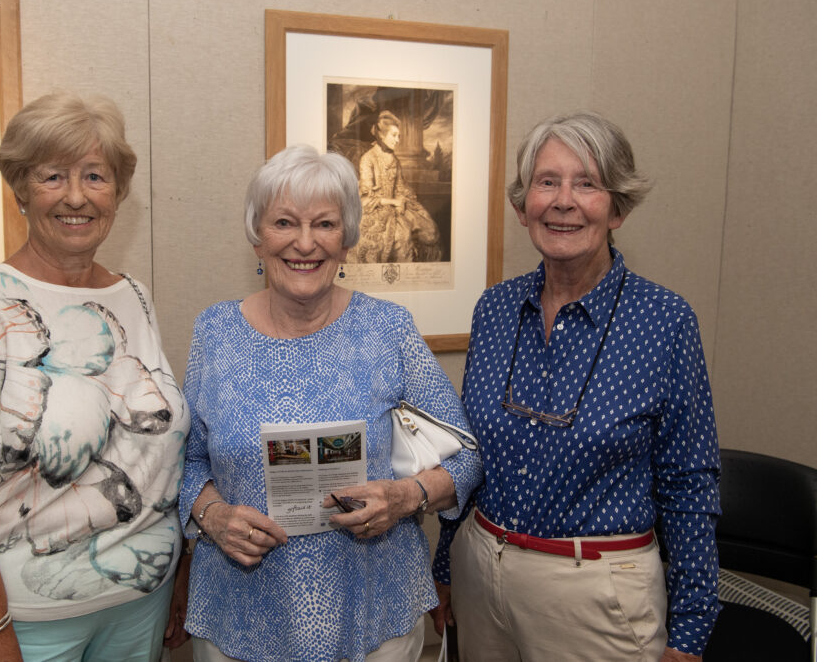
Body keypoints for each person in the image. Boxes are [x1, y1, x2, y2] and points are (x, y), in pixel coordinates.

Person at [0, 92, 190, 661]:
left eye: (94, 176)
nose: (76, 196)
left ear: (118, 192)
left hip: (141, 606)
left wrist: (179, 574)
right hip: (30, 622)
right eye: (52, 176)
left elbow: (158, 453)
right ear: (20, 189)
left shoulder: (131, 295)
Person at [432, 112, 720, 661]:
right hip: (481, 571)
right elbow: (467, 456)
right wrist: (446, 564)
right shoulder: (495, 309)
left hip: (595, 594)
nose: (564, 200)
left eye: (587, 183)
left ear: (618, 208)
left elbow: (690, 483)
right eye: (547, 181)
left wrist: (688, 633)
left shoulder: (664, 320)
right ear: (524, 206)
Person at [178, 144, 482, 662]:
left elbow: (468, 456)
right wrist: (212, 515)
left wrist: (405, 498)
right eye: (284, 223)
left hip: (374, 608)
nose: (304, 243)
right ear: (257, 237)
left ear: (347, 240)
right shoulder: (215, 331)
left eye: (324, 224)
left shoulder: (388, 329)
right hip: (241, 613)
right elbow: (186, 461)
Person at [346, 111, 441, 263]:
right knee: (399, 236)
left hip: (398, 205)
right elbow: (367, 197)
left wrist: (401, 199)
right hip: (375, 208)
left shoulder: (394, 159)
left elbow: (400, 187)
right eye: (394, 135)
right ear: (382, 135)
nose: (397, 140)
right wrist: (393, 202)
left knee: (430, 230)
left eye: (399, 136)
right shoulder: (367, 159)